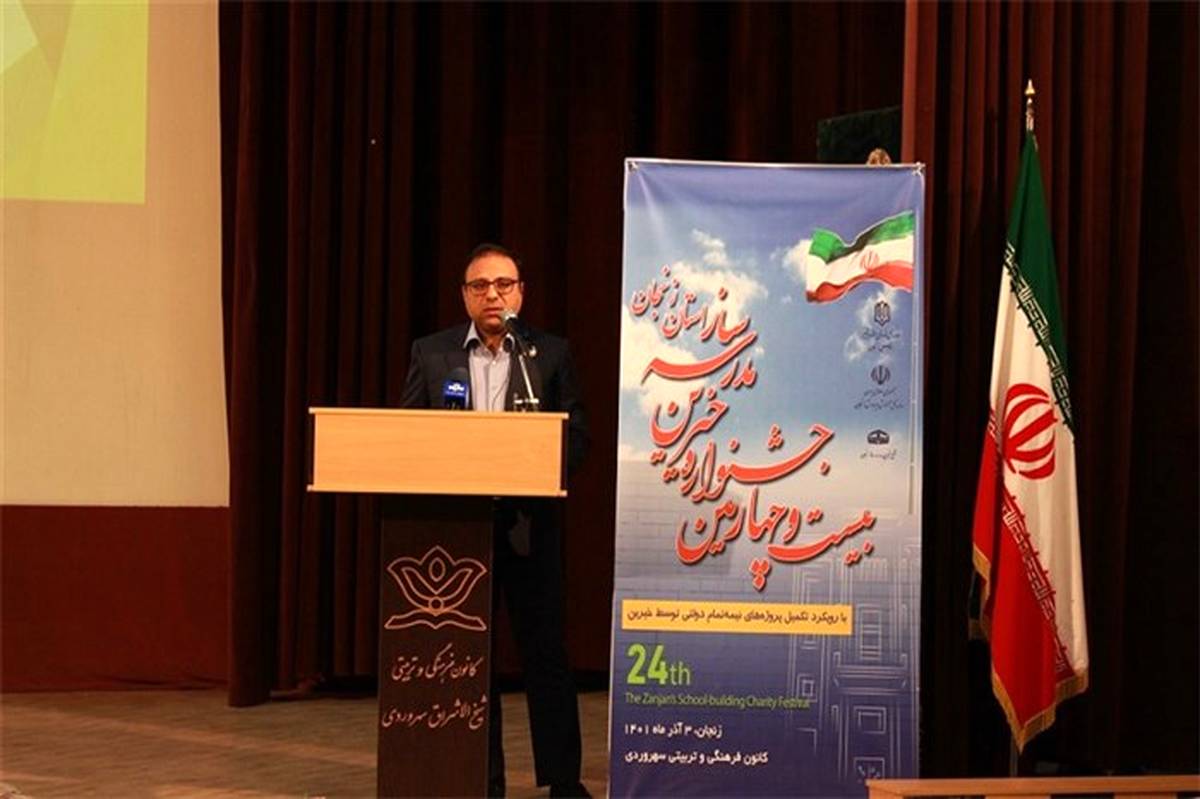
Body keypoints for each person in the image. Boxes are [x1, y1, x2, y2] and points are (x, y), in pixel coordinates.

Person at [400, 243, 590, 798]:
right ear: (465, 296)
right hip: (458, 532)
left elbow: (577, 435)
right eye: (480, 286)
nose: (492, 295)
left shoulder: (547, 354)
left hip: (529, 526)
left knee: (546, 656)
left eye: (503, 284)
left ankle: (564, 782)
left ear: (520, 293)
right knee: (470, 661)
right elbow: (408, 432)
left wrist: (540, 463)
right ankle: (483, 782)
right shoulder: (432, 353)